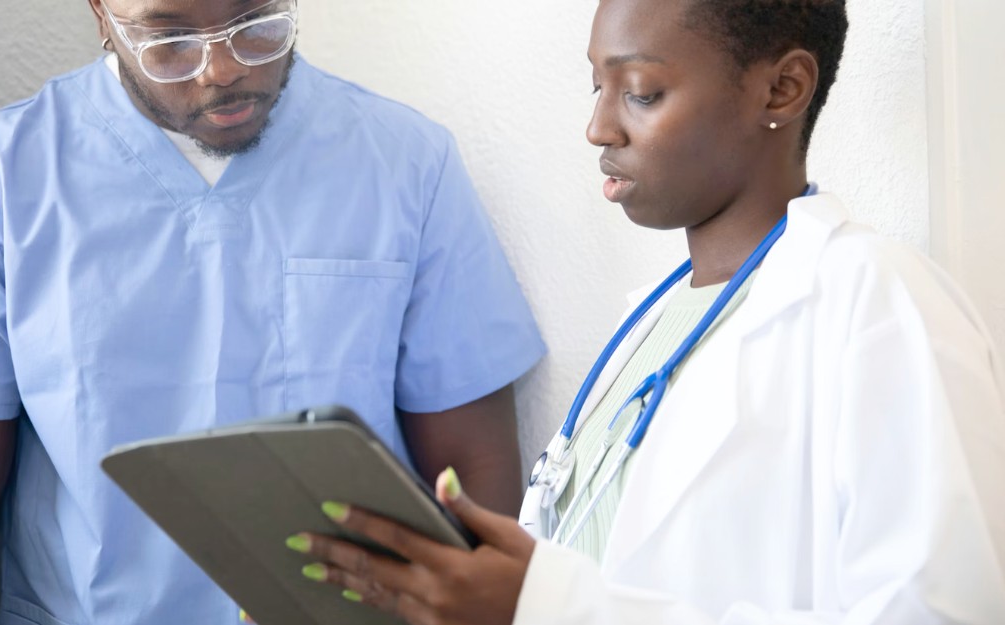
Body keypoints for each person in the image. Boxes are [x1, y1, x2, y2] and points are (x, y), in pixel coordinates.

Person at [0, 0, 547, 623]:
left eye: (255, 23)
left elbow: (474, 475)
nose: (221, 68)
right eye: (169, 38)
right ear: (101, 17)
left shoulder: (407, 166)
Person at [289, 0, 1005, 623]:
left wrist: (545, 608)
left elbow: (942, 611)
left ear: (782, 89)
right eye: (597, 85)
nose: (599, 128)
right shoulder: (649, 327)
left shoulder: (878, 299)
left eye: (641, 91)